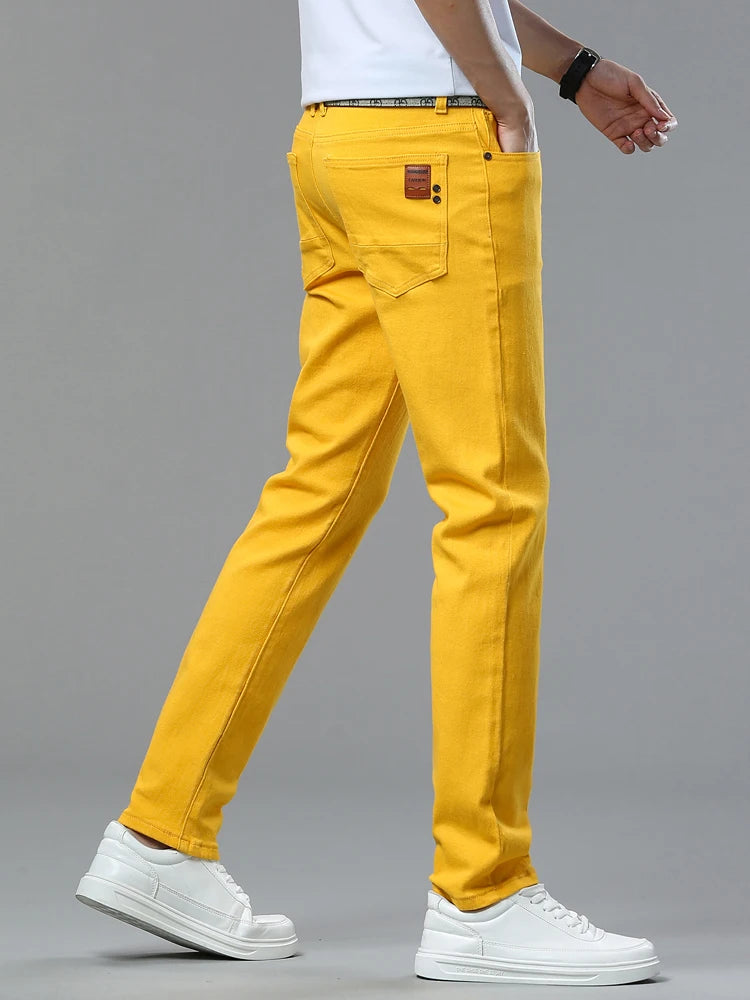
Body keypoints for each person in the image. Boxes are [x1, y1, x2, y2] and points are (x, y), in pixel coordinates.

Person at [75, 0, 677, 985]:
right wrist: (504, 98)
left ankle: (160, 834)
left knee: (316, 492)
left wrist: (570, 69)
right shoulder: (463, 108)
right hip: (433, 142)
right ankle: (482, 893)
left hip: (339, 140)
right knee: (492, 502)